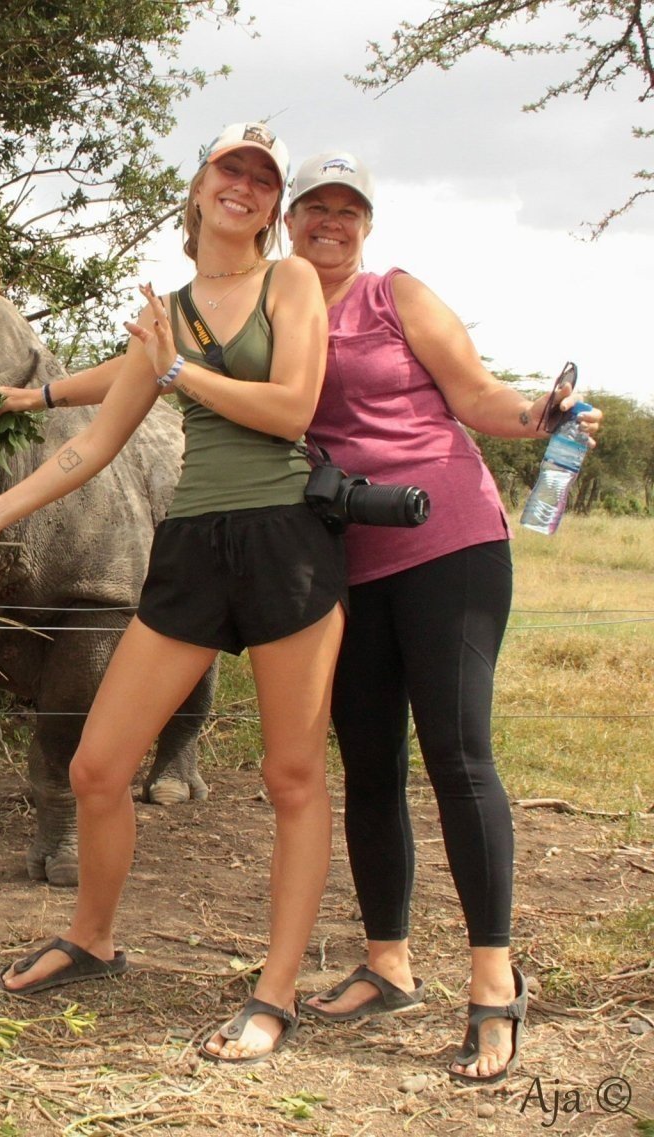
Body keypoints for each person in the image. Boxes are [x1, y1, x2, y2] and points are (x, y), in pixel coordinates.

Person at [0, 123, 340, 1064]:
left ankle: (274, 992)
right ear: (198, 187)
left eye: (263, 178)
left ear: (273, 205)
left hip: (285, 540)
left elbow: (293, 407)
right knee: (97, 765)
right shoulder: (168, 312)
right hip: (192, 545)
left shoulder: (289, 283)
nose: (244, 185)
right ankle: (91, 939)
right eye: (230, 168)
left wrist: (174, 369)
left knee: (291, 778)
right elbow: (93, 442)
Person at [282, 151, 600, 1085]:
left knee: (458, 755)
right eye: (314, 206)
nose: (330, 222)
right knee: (369, 761)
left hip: (449, 540)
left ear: (367, 224)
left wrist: (540, 414)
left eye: (348, 209)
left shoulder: (394, 295)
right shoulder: (271, 307)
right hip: (345, 558)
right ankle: (387, 963)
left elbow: (475, 394)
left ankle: (495, 981)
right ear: (288, 219)